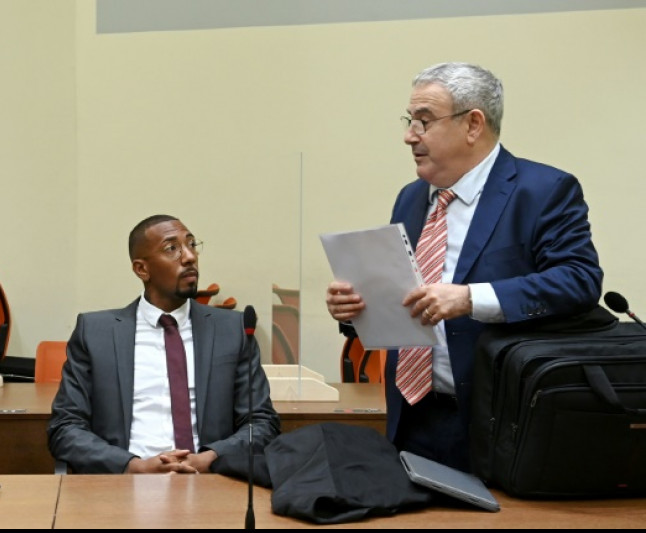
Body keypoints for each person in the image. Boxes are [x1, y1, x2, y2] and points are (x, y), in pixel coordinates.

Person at [325, 62, 602, 472]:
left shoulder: (543, 191)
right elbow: (409, 298)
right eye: (409, 120)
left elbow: (579, 280)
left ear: (473, 124)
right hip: (412, 417)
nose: (409, 136)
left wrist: (471, 298)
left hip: (497, 421)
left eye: (424, 121)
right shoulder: (411, 198)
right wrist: (355, 310)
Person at [48, 214, 281, 473]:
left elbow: (262, 423)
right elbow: (65, 428)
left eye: (191, 244)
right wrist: (134, 466)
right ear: (142, 269)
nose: (189, 257)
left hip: (209, 479)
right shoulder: (95, 333)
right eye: (172, 248)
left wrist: (209, 459)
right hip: (124, 482)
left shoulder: (232, 330)